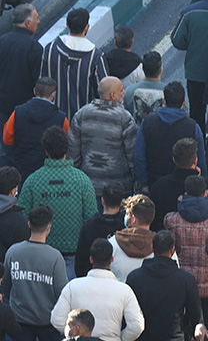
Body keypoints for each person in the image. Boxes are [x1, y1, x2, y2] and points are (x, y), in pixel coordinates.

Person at [18, 128, 95, 257]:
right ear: (67, 149)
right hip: (74, 252)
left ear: (46, 151)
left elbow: (22, 217)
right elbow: (91, 218)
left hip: (41, 251)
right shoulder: (82, 180)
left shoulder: (33, 181)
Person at [50, 239, 144, 341]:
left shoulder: (72, 286)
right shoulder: (125, 290)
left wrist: (73, 335)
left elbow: (57, 320)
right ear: (112, 259)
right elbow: (137, 326)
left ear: (91, 259)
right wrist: (121, 338)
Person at [127, 230, 208, 341]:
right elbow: (195, 314)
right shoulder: (186, 279)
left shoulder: (134, 277)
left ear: (152, 248)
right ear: (172, 250)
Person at [4, 203, 65, 341]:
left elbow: (6, 287)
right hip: (47, 323)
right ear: (49, 227)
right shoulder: (55, 257)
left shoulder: (13, 252)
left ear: (29, 224)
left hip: (20, 321)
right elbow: (61, 293)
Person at [68, 77, 135, 199]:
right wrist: (135, 178)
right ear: (112, 95)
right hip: (118, 187)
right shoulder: (124, 118)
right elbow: (131, 153)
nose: (124, 92)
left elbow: (73, 151)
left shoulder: (82, 114)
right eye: (121, 90)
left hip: (88, 185)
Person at [135, 80, 206, 187]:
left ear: (164, 101)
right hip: (185, 187)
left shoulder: (148, 123)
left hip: (153, 185)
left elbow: (139, 156)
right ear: (184, 102)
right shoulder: (193, 127)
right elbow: (201, 161)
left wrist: (144, 184)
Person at [41, 7, 107, 118]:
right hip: (84, 119)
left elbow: (41, 80)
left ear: (67, 25)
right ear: (87, 28)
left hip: (53, 118)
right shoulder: (95, 56)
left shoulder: (51, 49)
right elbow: (103, 91)